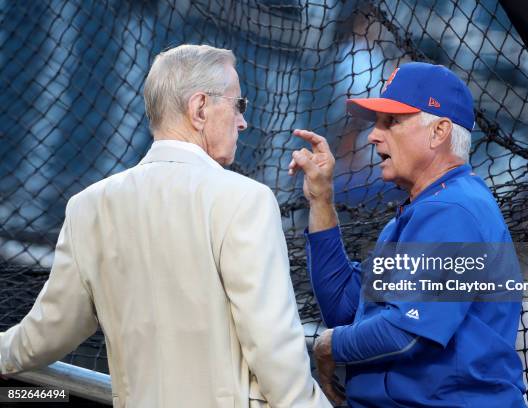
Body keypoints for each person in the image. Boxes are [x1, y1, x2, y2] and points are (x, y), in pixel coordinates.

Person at [0, 44, 330, 408]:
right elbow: (274, 347)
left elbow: (46, 333)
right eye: (239, 105)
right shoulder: (245, 199)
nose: (243, 121)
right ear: (200, 108)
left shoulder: (88, 207)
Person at [289, 62, 526, 407]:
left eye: (392, 122)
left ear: (439, 131)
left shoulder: (454, 210)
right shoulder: (421, 210)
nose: (373, 134)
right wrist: (321, 199)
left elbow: (407, 332)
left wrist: (330, 345)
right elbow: (344, 309)